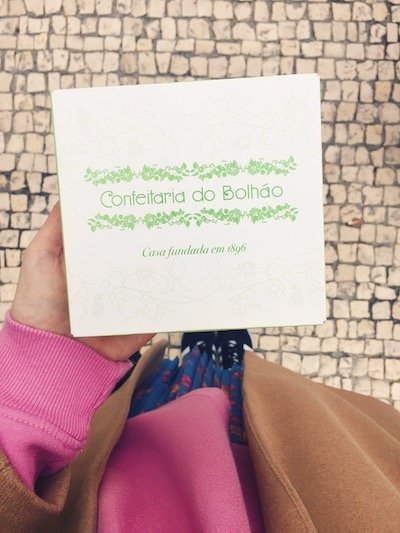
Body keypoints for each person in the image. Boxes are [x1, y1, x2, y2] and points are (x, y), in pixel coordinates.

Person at [1, 202, 400, 532]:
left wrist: (45, 372)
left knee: (174, 396)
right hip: (290, 473)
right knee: (255, 400)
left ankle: (202, 355)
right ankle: (223, 355)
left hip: (129, 466)